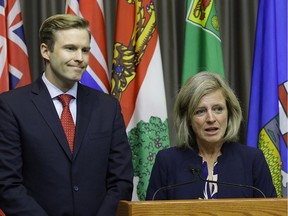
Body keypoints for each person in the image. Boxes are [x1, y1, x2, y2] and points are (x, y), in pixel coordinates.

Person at [0, 14, 133, 215]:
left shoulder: (108, 108)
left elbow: (121, 181)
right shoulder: (11, 106)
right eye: (70, 48)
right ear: (46, 51)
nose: (80, 58)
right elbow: (7, 184)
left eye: (85, 50)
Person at [146, 71, 276, 200]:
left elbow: (272, 212)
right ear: (188, 119)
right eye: (200, 111)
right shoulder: (167, 162)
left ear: (229, 113)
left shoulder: (252, 161)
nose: (211, 118)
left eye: (218, 109)